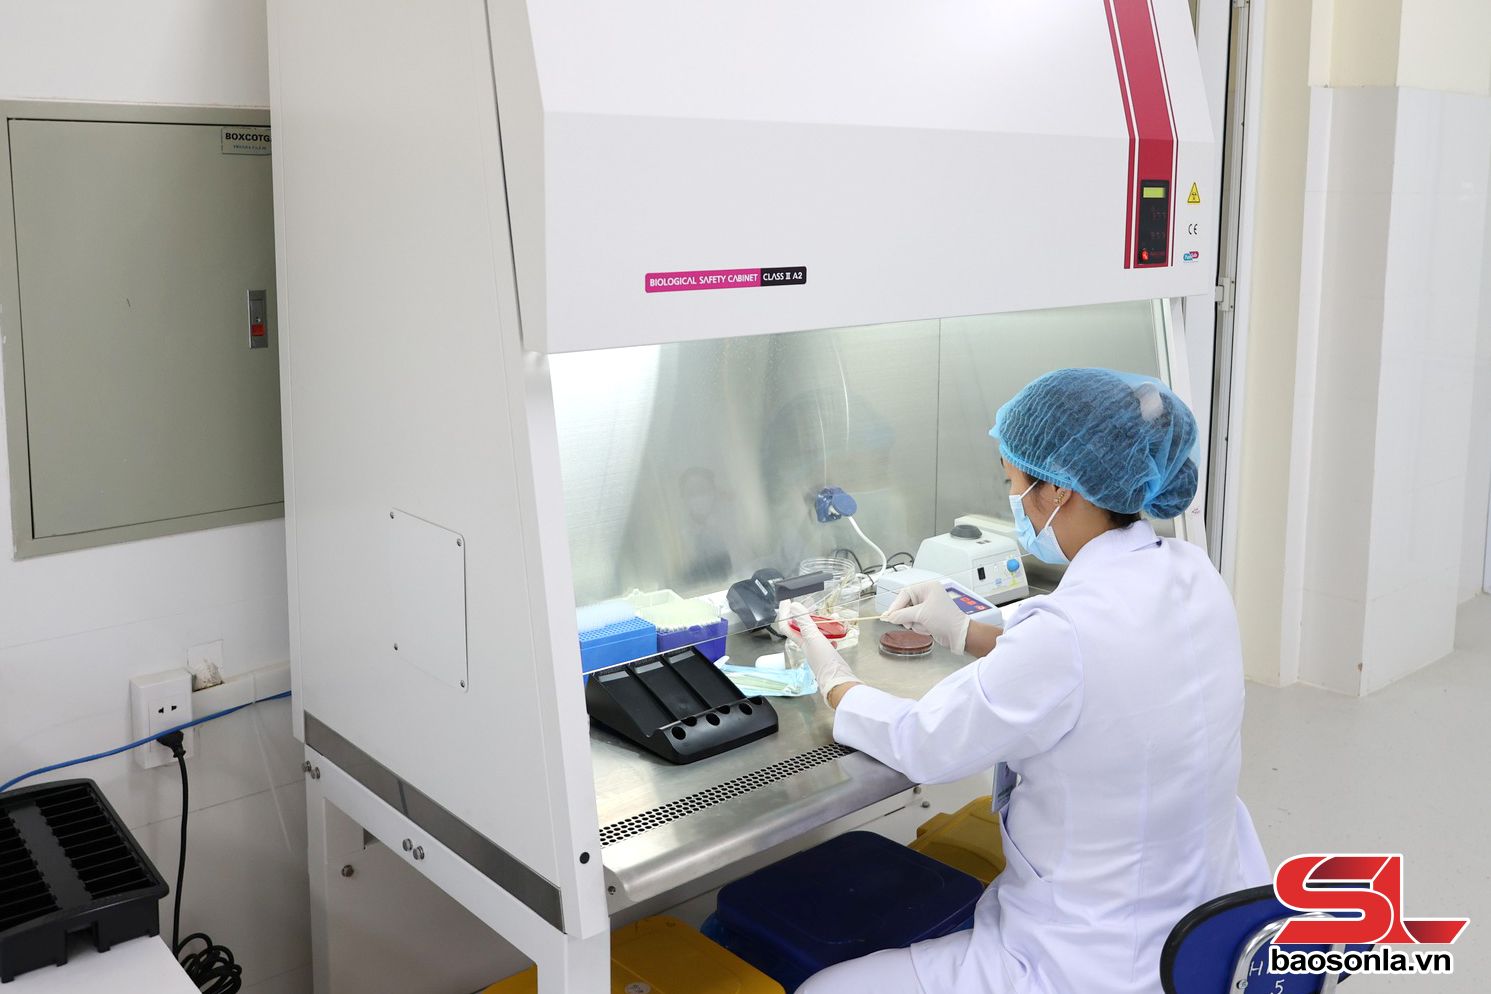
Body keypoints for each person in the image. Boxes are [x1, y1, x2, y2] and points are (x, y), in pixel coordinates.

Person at [786, 368, 1269, 994]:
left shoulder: (1065, 636)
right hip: (1205, 928)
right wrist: (966, 631)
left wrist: (832, 678)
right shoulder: (1191, 572)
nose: (1012, 498)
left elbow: (923, 743)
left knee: (822, 990)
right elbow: (1095, 659)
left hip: (1093, 963)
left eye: (1013, 482)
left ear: (1060, 490)